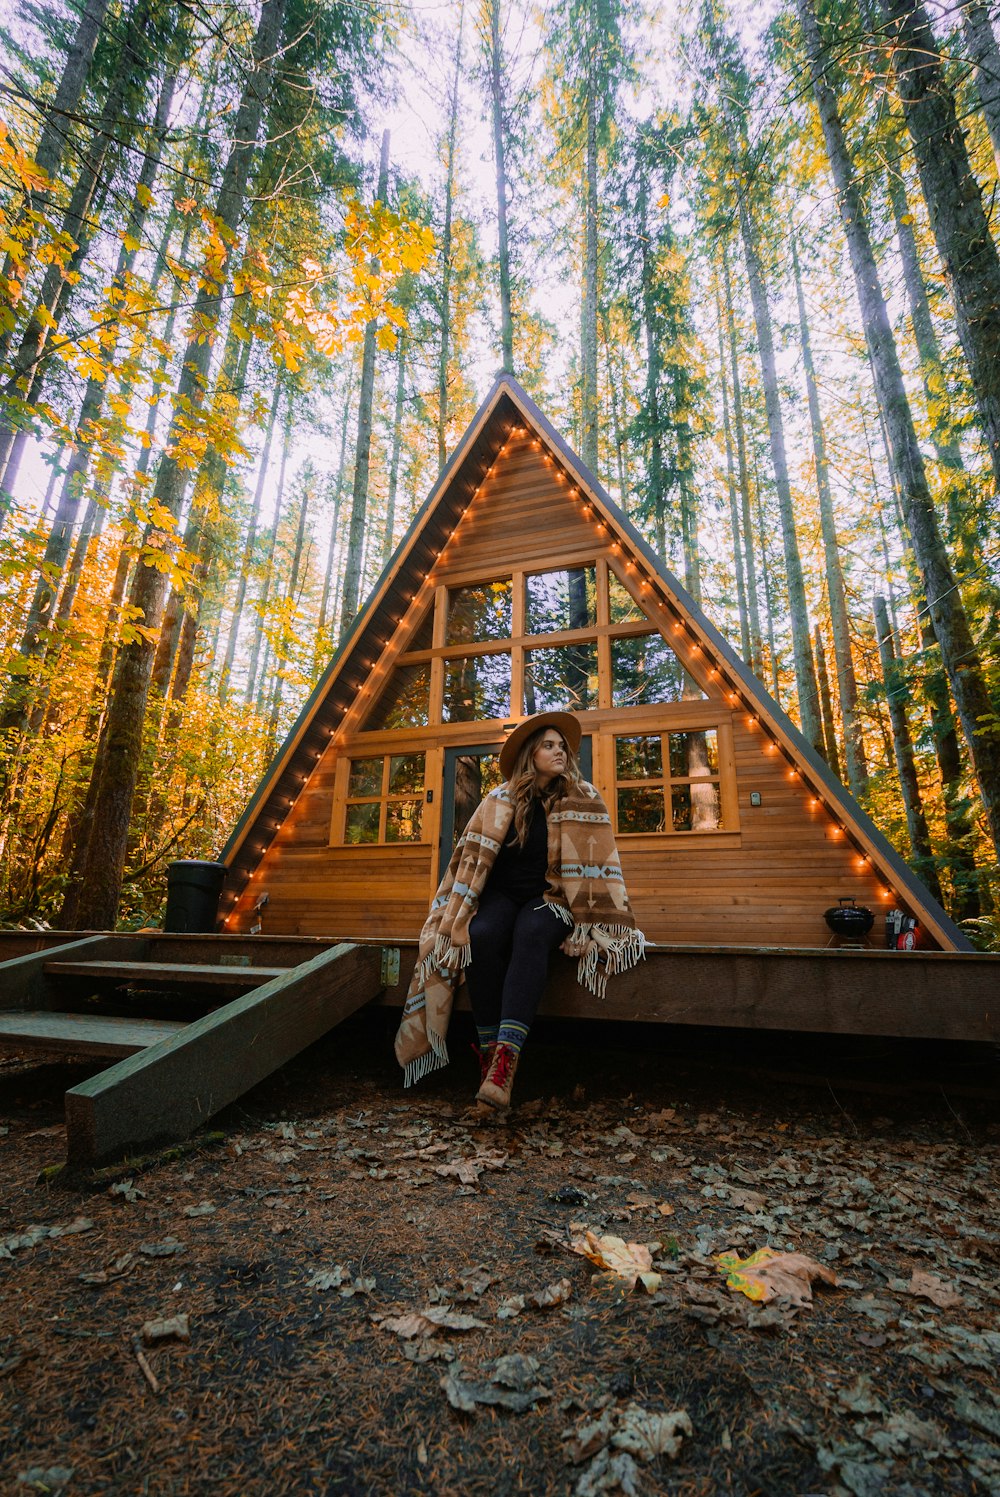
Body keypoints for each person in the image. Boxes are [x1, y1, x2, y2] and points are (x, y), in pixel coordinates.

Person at [394, 710, 645, 1112]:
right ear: (532, 753)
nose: (559, 751)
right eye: (549, 745)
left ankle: (505, 1065)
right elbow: (469, 860)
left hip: (551, 898)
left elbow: (599, 868)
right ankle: (489, 1054)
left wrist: (587, 926)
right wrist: (458, 912)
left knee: (530, 933)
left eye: (562, 746)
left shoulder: (583, 797)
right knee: (481, 934)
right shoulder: (498, 800)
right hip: (500, 896)